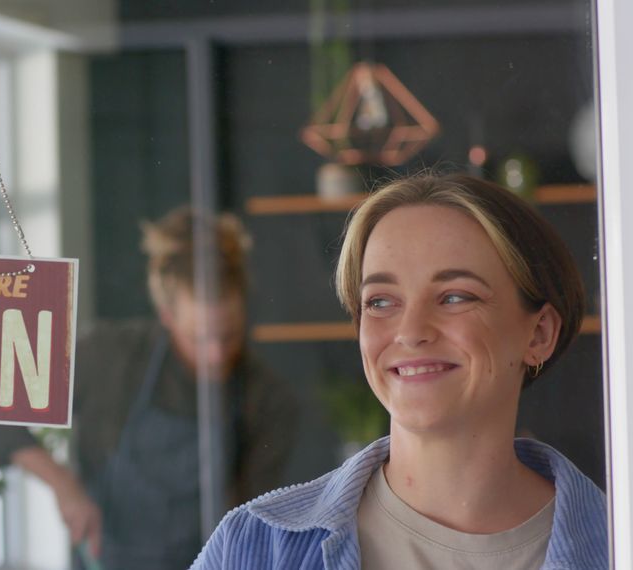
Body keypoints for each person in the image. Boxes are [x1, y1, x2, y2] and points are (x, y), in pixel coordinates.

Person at [192, 174, 608, 569]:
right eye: (380, 302)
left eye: (455, 296)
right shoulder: (254, 547)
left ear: (538, 333)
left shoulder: (618, 545)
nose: (410, 333)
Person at [0, 206, 298, 569]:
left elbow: (249, 525)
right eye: (200, 338)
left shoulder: (267, 398)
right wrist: (63, 485)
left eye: (230, 335)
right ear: (166, 315)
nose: (217, 354)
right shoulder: (110, 357)